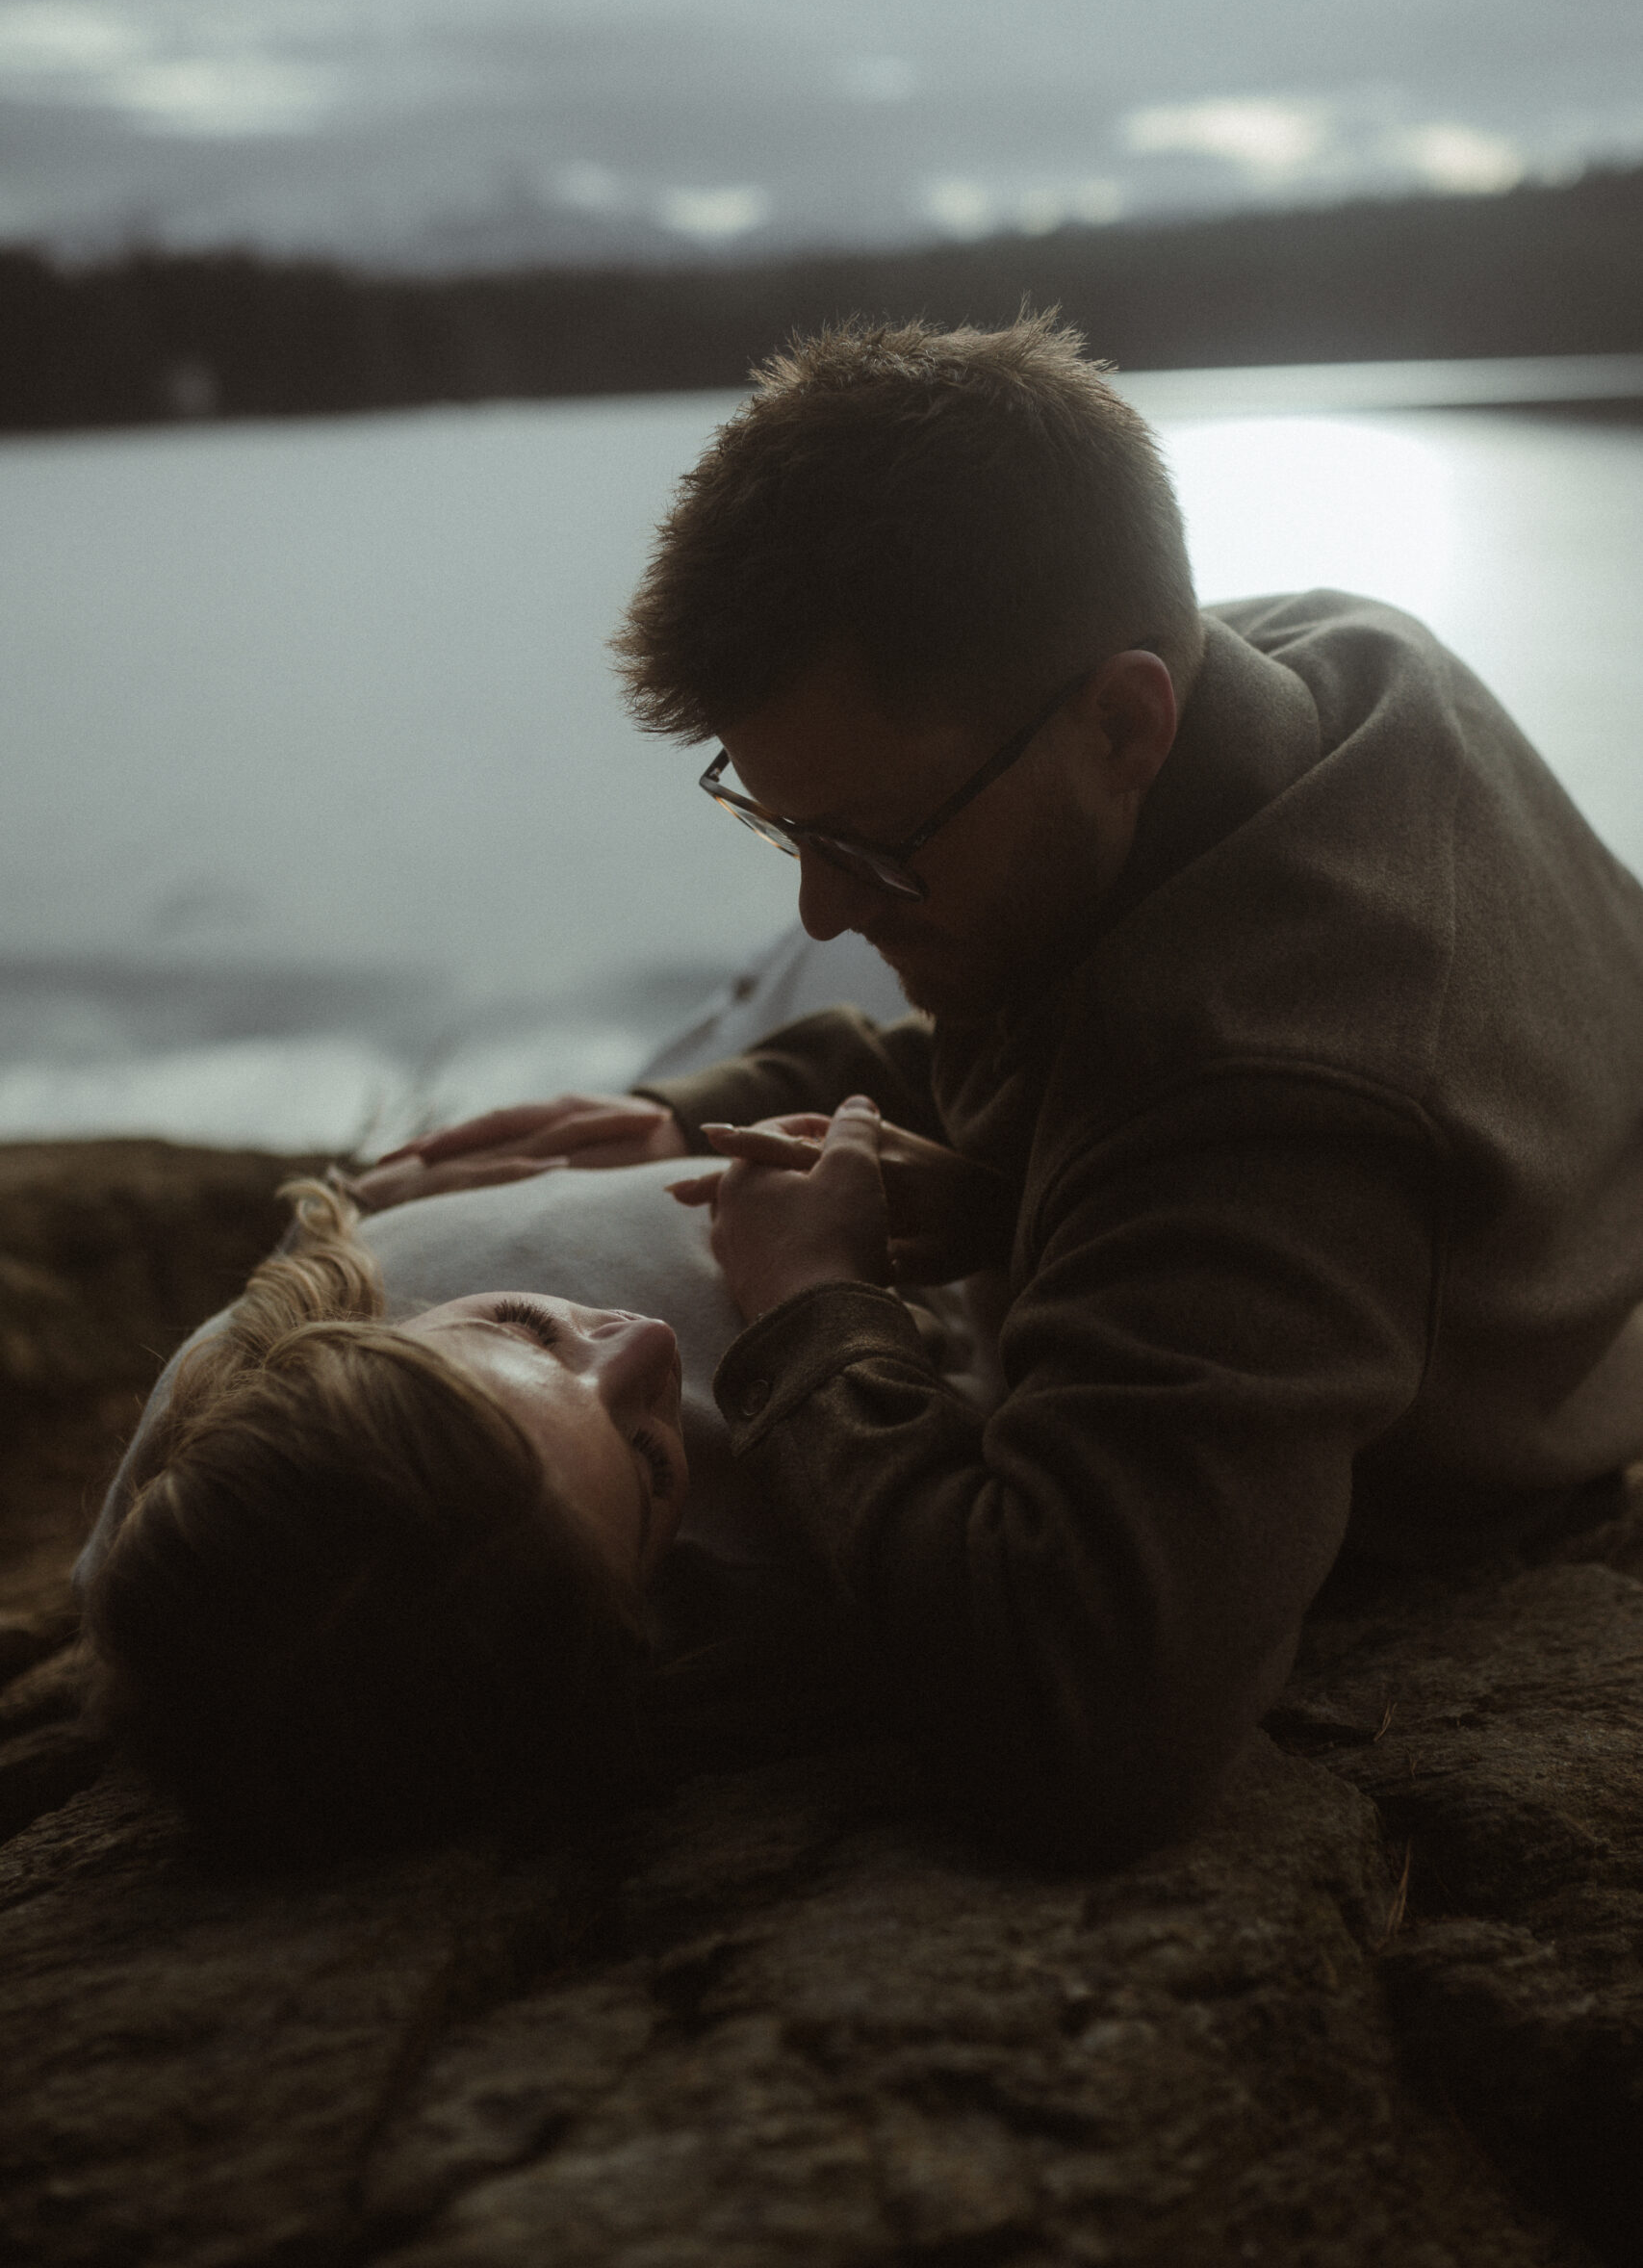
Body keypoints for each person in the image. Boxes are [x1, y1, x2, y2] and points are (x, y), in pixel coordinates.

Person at [372, 311, 1643, 1869]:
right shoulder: (1329, 657)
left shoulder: (1268, 1105)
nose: (822, 910)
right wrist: (703, 1117)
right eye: (783, 828)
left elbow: (1086, 1728)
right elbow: (1065, 1020)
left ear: (1122, 721)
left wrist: (812, 1312)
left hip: (1453, 1480)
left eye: (871, 845)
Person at [78, 1131, 1004, 1859]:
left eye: (520, 1324)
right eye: (650, 1466)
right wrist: (833, 1285)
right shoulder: (784, 1548)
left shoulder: (191, 1537)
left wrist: (359, 1209)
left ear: (339, 1343)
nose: (644, 1343)